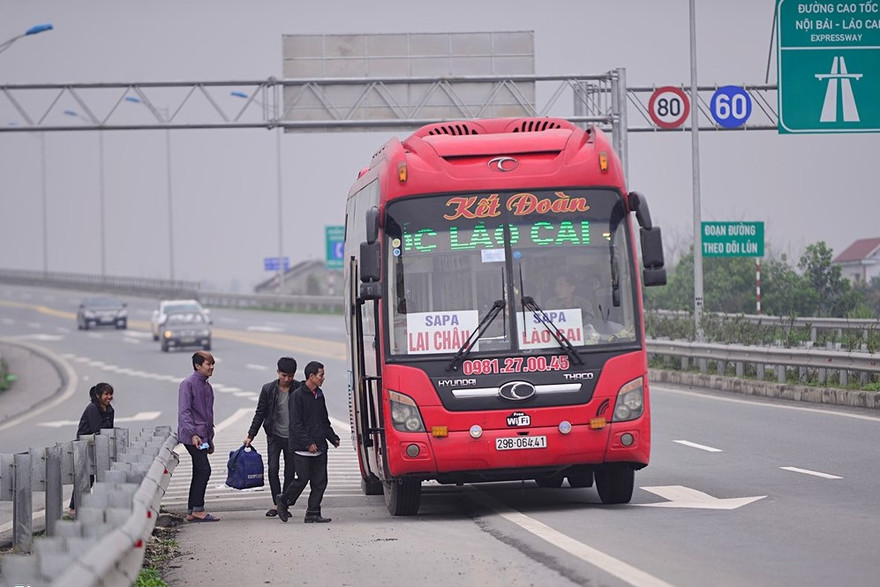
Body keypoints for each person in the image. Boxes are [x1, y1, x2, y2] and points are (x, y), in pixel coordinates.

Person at [276, 361, 340, 524]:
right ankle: (284, 501)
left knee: (320, 482)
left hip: (320, 446)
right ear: (311, 376)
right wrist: (308, 443)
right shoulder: (297, 396)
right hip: (302, 448)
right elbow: (296, 424)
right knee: (302, 479)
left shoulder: (319, 394)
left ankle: (313, 512)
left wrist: (332, 437)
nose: (323, 378)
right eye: (321, 375)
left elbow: (323, 420)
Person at [244, 356, 299, 518]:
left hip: (293, 438)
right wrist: (250, 435)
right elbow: (260, 413)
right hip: (274, 435)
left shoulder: (298, 389)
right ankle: (276, 503)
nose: (287, 379)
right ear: (277, 372)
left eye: (290, 376)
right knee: (273, 469)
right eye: (283, 375)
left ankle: (284, 503)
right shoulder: (268, 389)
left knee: (290, 472)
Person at [178, 350, 219, 522]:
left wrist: (209, 438)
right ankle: (198, 509)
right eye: (208, 364)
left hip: (202, 436)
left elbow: (208, 415)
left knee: (199, 470)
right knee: (204, 470)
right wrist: (193, 434)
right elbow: (184, 412)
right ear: (197, 366)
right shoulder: (188, 384)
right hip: (192, 436)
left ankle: (192, 510)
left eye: (212, 365)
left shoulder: (206, 385)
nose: (211, 368)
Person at [68, 382, 115, 516]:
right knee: (85, 477)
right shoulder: (93, 408)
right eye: (106, 394)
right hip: (84, 446)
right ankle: (74, 507)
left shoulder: (109, 409)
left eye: (110, 394)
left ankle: (85, 506)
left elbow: (109, 430)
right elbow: (97, 429)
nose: (109, 397)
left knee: (96, 476)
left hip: (98, 446)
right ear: (98, 395)